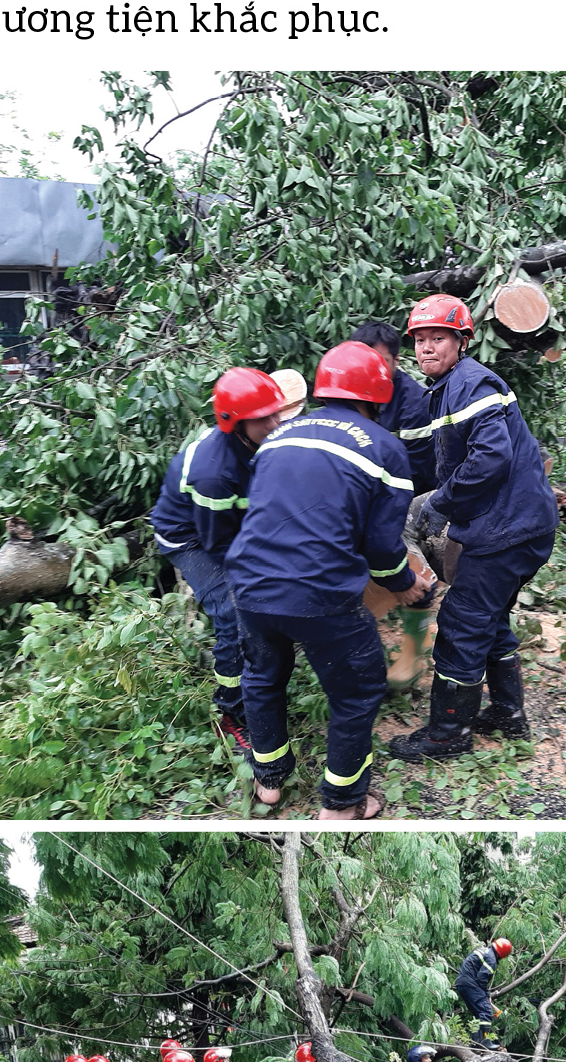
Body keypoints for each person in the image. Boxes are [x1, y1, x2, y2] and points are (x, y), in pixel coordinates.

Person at [227, 341, 434, 820]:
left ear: (321, 390)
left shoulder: (279, 435)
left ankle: (269, 782)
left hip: (251, 585)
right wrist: (405, 584)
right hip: (318, 592)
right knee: (357, 689)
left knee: (262, 677)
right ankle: (341, 805)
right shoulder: (385, 448)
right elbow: (383, 548)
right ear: (379, 396)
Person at [389, 294, 559, 758]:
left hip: (507, 530)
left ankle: (447, 736)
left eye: (437, 338)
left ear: (461, 341)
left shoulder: (471, 385)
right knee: (490, 617)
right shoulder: (452, 386)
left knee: (462, 622)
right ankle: (508, 713)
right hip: (520, 525)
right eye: (420, 339)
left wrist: (441, 503)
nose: (426, 348)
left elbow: (491, 456)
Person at [150, 365, 303, 755]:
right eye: (263, 418)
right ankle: (231, 708)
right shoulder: (215, 474)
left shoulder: (259, 440)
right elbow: (221, 545)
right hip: (191, 538)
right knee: (235, 611)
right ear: (234, 423)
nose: (274, 422)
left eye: (275, 412)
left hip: (230, 523)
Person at [348, 316, 437, 494]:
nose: (370, 370)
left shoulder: (415, 405)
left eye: (380, 362)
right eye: (364, 361)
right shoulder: (348, 391)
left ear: (396, 360)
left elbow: (414, 471)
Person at [455, 936, 513, 1047]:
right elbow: (482, 978)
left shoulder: (485, 951)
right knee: (486, 1011)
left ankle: (475, 1042)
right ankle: (482, 1043)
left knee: (479, 1013)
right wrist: (486, 994)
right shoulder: (491, 959)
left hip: (463, 982)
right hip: (470, 983)